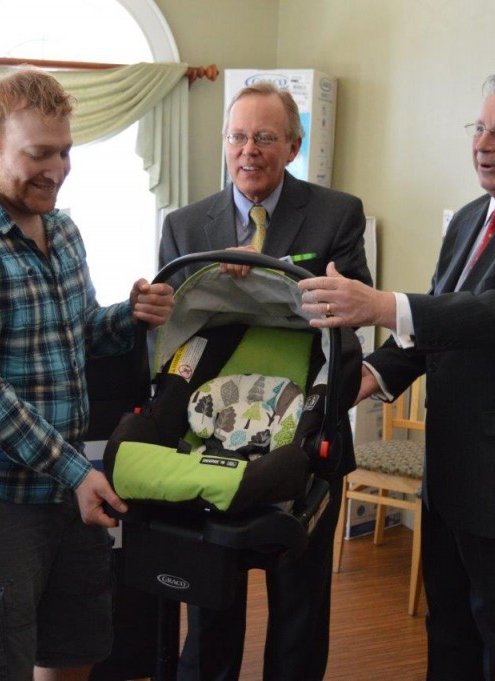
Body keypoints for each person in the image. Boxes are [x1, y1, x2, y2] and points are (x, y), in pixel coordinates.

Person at [298, 70, 495, 680]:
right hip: (453, 477)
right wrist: (372, 372)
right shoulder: (472, 217)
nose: (483, 144)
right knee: (451, 639)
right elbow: (441, 322)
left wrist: (381, 303)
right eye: (479, 128)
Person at [0, 68, 175, 681]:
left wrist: (129, 316)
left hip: (69, 487)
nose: (57, 169)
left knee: (71, 651)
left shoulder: (62, 229)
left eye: (65, 152)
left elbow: (77, 332)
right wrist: (76, 469)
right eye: (39, 154)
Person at [159, 81, 371, 681]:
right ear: (224, 143)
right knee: (210, 600)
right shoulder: (184, 225)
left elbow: (349, 322)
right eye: (238, 136)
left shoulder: (337, 213)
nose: (249, 150)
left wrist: (256, 282)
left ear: (294, 145)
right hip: (209, 440)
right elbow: (177, 335)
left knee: (300, 606)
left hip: (307, 438)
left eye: (265, 137)